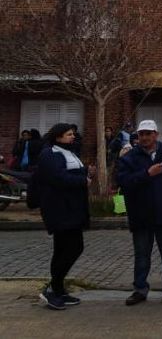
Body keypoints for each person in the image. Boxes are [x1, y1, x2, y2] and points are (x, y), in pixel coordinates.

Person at [116, 120, 162, 306]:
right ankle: (140, 289)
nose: (145, 138)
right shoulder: (130, 157)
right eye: (141, 134)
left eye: (148, 134)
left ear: (156, 135)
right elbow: (124, 182)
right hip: (141, 214)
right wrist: (147, 174)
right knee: (142, 254)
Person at [35, 123, 92, 310]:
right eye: (69, 134)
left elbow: (71, 172)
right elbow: (58, 178)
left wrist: (86, 173)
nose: (72, 137)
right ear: (58, 136)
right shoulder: (50, 154)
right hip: (60, 210)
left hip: (73, 208)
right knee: (73, 247)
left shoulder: (68, 152)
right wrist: (82, 180)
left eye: (73, 134)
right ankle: (52, 288)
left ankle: (58, 289)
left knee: (62, 249)